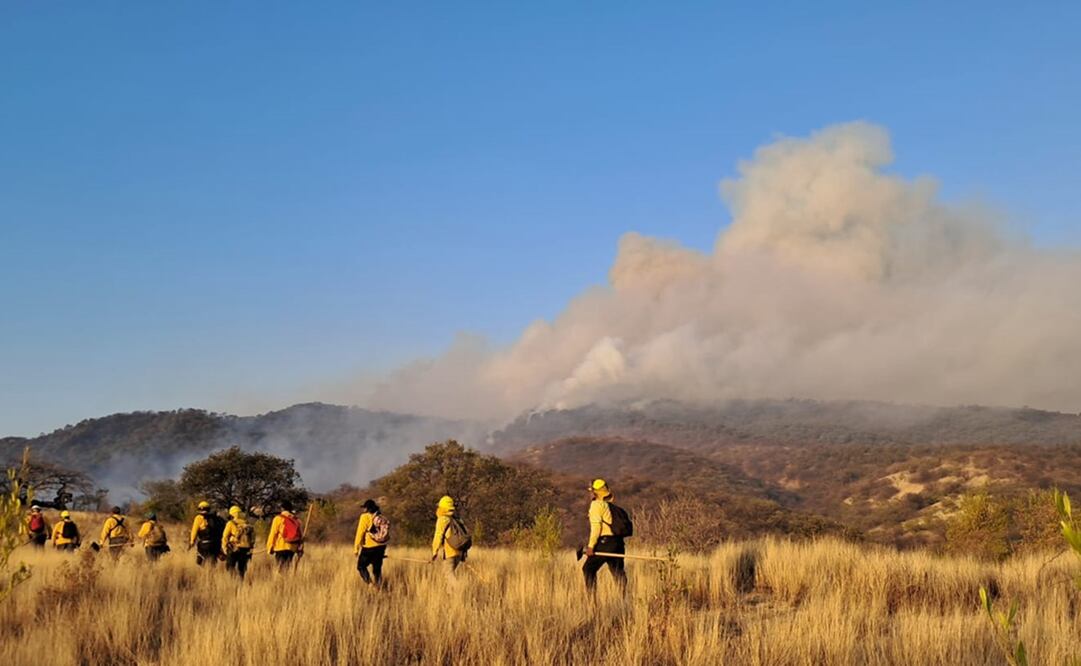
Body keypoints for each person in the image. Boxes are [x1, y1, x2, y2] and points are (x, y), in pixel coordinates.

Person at [582, 479, 627, 596]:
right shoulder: (609, 506)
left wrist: (591, 547)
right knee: (618, 572)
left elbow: (596, 527)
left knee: (588, 569)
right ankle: (623, 599)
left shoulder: (596, 505)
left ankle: (592, 601)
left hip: (605, 543)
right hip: (618, 543)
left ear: (595, 493)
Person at [431, 495, 469, 580]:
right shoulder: (456, 519)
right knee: (449, 574)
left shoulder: (443, 519)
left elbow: (438, 536)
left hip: (450, 552)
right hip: (459, 552)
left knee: (448, 574)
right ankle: (453, 589)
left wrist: (434, 552)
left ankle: (460, 588)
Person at [353, 499, 389, 586]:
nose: (363, 509)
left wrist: (356, 548)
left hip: (368, 547)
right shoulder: (380, 517)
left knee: (361, 566)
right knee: (377, 570)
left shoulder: (364, 517)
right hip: (381, 547)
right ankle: (379, 588)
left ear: (367, 508)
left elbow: (360, 533)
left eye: (364, 508)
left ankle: (370, 584)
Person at [266, 500, 304, 573]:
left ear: (282, 508)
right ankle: (286, 579)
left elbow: (273, 533)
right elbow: (300, 536)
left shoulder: (278, 518)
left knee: (281, 568)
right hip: (292, 548)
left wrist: (270, 547)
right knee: (287, 567)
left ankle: (282, 579)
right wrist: (300, 549)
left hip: (280, 547)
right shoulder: (296, 520)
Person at [222, 505, 255, 580]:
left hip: (234, 548)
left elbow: (225, 537)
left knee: (230, 566)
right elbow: (253, 538)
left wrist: (224, 548)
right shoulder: (247, 524)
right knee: (242, 568)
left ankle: (232, 580)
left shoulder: (230, 523)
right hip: (245, 549)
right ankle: (241, 581)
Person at [189, 501, 225, 567]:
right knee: (212, 562)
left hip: (203, 544)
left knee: (201, 561)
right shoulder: (215, 518)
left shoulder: (198, 518)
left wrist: (192, 542)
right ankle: (212, 572)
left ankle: (204, 572)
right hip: (215, 544)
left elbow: (194, 531)